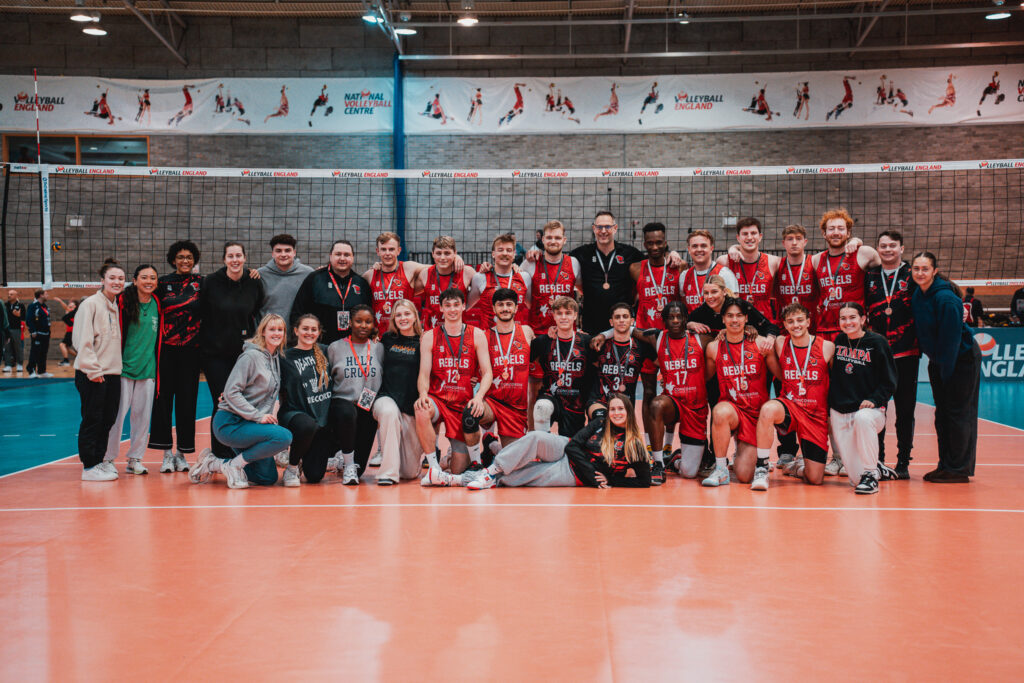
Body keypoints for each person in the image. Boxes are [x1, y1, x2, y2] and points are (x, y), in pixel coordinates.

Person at [428, 394, 651, 490]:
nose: (616, 413)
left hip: (574, 475)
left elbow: (644, 481)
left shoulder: (635, 446)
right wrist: (593, 473)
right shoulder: (600, 422)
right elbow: (573, 445)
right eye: (613, 409)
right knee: (535, 437)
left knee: (512, 478)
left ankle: (450, 479)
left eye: (621, 409)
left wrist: (610, 480)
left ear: (629, 412)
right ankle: (492, 469)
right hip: (565, 449)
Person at [811, 208, 882, 475]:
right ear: (824, 233)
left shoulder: (860, 253)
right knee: (829, 397)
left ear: (848, 232)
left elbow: (878, 257)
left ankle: (868, 456)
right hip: (824, 334)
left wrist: (861, 242)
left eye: (842, 229)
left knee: (855, 394)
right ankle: (838, 456)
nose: (837, 233)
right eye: (832, 229)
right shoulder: (817, 260)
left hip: (853, 335)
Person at [190, 315, 291, 489]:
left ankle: (214, 464)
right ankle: (234, 465)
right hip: (230, 423)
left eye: (280, 330)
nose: (276, 333)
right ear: (263, 332)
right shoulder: (251, 356)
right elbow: (230, 392)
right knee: (284, 436)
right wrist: (258, 417)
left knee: (266, 477)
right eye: (272, 329)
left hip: (249, 425)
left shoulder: (275, 359)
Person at [911, 252, 980, 483]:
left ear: (934, 271)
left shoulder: (945, 299)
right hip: (940, 359)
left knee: (958, 413)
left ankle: (958, 469)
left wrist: (946, 373)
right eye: (916, 268)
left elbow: (952, 341)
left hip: (961, 359)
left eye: (925, 269)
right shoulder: (918, 294)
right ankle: (946, 464)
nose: (920, 273)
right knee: (942, 414)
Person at [197, 242, 266, 464]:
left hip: (243, 354)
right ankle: (219, 453)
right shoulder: (211, 282)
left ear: (245, 258)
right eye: (230, 256)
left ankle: (241, 451)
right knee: (223, 400)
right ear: (224, 259)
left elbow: (255, 310)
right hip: (214, 354)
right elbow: (202, 312)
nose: (235, 260)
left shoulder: (254, 282)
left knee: (244, 400)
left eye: (238, 255)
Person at [704, 298, 781, 490]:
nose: (735, 320)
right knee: (719, 411)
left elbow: (780, 375)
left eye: (739, 315)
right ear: (723, 320)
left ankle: (745, 452)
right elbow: (703, 377)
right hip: (733, 410)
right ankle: (721, 469)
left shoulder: (761, 344)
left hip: (756, 414)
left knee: (745, 476)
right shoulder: (714, 348)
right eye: (729, 316)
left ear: (747, 318)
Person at [415, 288, 492, 479]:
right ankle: (433, 467)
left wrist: (479, 397)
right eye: (447, 305)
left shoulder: (477, 334)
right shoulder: (430, 336)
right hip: (438, 399)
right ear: (440, 308)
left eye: (456, 304)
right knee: (422, 409)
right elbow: (424, 373)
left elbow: (488, 372)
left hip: (461, 403)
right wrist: (423, 395)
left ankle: (452, 457)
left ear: (464, 306)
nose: (452, 309)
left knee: (459, 470)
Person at [758, 303, 833, 486]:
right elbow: (779, 373)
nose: (796, 325)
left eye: (800, 320)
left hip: (815, 414)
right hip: (790, 406)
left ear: (808, 321)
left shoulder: (827, 347)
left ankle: (796, 467)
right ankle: (761, 468)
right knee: (768, 409)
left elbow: (835, 382)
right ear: (784, 324)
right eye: (790, 321)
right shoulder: (780, 342)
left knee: (814, 479)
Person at [633, 301, 709, 481]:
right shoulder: (657, 337)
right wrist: (604, 335)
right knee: (657, 404)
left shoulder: (701, 339)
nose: (675, 321)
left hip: (696, 409)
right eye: (670, 317)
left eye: (679, 317)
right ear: (664, 321)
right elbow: (628, 329)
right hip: (673, 403)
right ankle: (658, 463)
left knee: (689, 473)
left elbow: (727, 337)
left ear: (685, 319)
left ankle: (673, 459)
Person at [865, 230, 918, 478]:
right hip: (878, 354)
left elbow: (937, 287)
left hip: (907, 352)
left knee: (905, 411)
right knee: (878, 409)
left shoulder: (912, 274)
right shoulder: (870, 275)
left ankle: (904, 463)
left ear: (902, 248)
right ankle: (879, 460)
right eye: (883, 246)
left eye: (892, 246)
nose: (887, 250)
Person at [829, 302, 897, 494]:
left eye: (852, 317)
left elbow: (890, 380)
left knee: (863, 418)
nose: (848, 322)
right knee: (854, 480)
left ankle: (871, 474)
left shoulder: (877, 342)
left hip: (870, 411)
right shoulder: (839, 341)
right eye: (843, 318)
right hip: (841, 409)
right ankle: (875, 467)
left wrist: (875, 399)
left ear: (862, 319)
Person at [149, 240, 203, 473]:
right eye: (180, 257)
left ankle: (182, 453)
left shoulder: (203, 284)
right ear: (173, 260)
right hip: (165, 351)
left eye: (189, 257)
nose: (185, 261)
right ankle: (166, 453)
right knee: (162, 401)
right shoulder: (162, 283)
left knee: (187, 402)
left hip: (191, 352)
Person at [104, 265, 161, 476]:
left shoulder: (157, 303)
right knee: (117, 417)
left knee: (142, 418)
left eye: (153, 278)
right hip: (123, 370)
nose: (149, 281)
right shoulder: (122, 302)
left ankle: (135, 459)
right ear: (135, 280)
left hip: (147, 370)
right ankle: (108, 458)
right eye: (144, 277)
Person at [73, 261, 126, 482]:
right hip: (93, 374)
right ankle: (89, 466)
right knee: (93, 419)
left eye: (121, 278)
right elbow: (81, 341)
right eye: (112, 278)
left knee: (108, 420)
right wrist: (93, 370)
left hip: (113, 373)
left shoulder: (114, 305)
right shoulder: (90, 304)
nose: (117, 282)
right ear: (102, 280)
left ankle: (99, 460)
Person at [277, 314, 338, 487]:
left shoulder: (327, 351)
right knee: (306, 425)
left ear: (319, 332)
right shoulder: (284, 357)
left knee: (315, 476)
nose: (309, 333)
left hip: (321, 419)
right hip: (295, 414)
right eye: (305, 329)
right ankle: (292, 467)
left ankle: (308, 457)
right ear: (296, 331)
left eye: (313, 329)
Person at [327, 305, 384, 485]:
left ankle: (345, 458)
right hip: (342, 401)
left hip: (367, 405)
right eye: (358, 321)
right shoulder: (335, 347)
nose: (363, 325)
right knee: (347, 413)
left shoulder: (379, 348)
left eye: (368, 322)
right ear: (350, 323)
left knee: (359, 473)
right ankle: (347, 461)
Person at [372, 299, 424, 485]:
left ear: (414, 316)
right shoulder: (387, 339)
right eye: (399, 314)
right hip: (386, 398)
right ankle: (387, 473)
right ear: (394, 318)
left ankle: (402, 467)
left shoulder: (423, 341)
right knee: (389, 412)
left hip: (410, 405)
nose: (403, 318)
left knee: (409, 473)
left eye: (407, 314)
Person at [528, 296, 596, 438]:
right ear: (553, 316)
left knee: (569, 448)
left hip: (576, 403)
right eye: (559, 313)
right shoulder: (542, 342)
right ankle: (542, 447)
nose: (563, 317)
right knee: (542, 407)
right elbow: (522, 363)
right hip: (551, 397)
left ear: (575, 315)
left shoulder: (587, 342)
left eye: (568, 313)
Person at [480, 288, 535, 450]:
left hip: (515, 408)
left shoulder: (526, 332)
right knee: (468, 414)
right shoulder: (484, 336)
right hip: (492, 401)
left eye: (509, 304)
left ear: (516, 308)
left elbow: (544, 349)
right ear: (494, 309)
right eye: (500, 305)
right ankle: (473, 459)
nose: (505, 308)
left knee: (513, 464)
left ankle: (491, 446)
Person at [289, 239, 372, 344]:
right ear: (330, 256)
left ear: (352, 258)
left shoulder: (361, 283)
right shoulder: (315, 279)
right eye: (338, 254)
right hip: (320, 346)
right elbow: (297, 313)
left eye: (347, 255)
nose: (342, 258)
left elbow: (370, 318)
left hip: (352, 347)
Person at [521, 220, 581, 335]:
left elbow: (583, 290)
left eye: (557, 238)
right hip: (538, 333)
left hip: (566, 334)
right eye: (549, 238)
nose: (553, 241)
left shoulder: (573, 263)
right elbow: (513, 282)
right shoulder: (531, 263)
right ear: (543, 240)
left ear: (564, 240)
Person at [720, 217, 780, 323]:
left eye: (753, 233)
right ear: (738, 238)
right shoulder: (725, 261)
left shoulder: (773, 261)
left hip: (764, 323)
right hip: (736, 323)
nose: (749, 237)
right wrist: (733, 248)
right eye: (745, 234)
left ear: (760, 237)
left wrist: (734, 247)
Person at [362, 232, 422, 330]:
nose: (387, 253)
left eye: (391, 249)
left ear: (398, 251)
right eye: (383, 249)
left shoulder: (408, 268)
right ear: (378, 251)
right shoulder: (370, 275)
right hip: (379, 338)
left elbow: (436, 267)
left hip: (404, 334)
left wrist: (455, 258)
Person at [414, 235, 476, 330]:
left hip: (459, 332)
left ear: (455, 253)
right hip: (432, 331)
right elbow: (406, 290)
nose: (442, 257)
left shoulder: (467, 272)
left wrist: (486, 267)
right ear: (432, 254)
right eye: (438, 253)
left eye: (447, 253)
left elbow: (485, 286)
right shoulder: (425, 273)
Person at [679, 230, 738, 314]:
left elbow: (735, 308)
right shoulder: (684, 276)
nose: (699, 249)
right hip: (692, 325)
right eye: (695, 246)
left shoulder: (724, 274)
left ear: (711, 249)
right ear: (689, 249)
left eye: (703, 246)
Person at [258, 234, 313, 321]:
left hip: (298, 332)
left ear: (294, 253)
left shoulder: (308, 273)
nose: (283, 254)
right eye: (278, 251)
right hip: (270, 332)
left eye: (287, 250)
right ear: (272, 254)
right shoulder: (260, 275)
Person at [25, 289, 53, 378]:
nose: (47, 296)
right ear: (41, 295)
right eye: (46, 294)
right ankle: (31, 370)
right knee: (35, 352)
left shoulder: (45, 306)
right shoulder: (33, 306)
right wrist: (32, 331)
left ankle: (42, 371)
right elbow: (29, 319)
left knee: (43, 352)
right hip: (37, 333)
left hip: (46, 333)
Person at [3, 289, 25, 373]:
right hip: (6, 329)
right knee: (7, 348)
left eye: (11, 294)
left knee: (18, 347)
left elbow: (24, 317)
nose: (9, 295)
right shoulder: (5, 305)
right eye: (8, 294)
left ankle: (19, 364)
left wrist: (19, 315)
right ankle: (8, 365)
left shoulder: (20, 305)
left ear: (16, 296)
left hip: (16, 329)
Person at [54, 297, 78, 367]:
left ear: (75, 307)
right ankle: (79, 357)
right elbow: (66, 308)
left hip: (72, 332)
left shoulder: (75, 313)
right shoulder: (70, 312)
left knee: (62, 345)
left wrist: (61, 301)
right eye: (69, 306)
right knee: (66, 347)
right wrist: (61, 301)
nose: (69, 308)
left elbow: (66, 308)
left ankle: (66, 361)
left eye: (71, 307)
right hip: (69, 332)